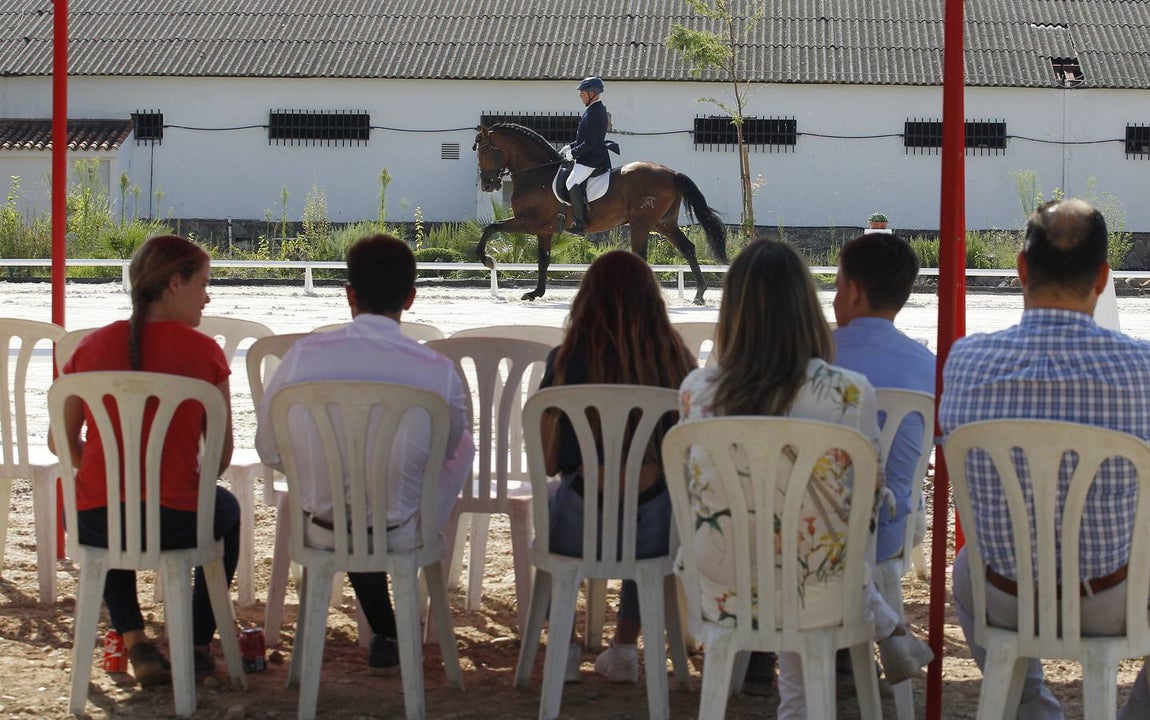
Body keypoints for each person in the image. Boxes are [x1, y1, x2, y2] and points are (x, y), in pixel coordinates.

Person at [677, 239, 932, 718]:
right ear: (807, 307)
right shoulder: (848, 393)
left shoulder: (697, 391)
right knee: (828, 544)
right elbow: (867, 503)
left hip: (718, 583)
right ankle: (885, 625)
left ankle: (883, 623)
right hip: (820, 590)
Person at [940, 198, 1150, 719]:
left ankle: (1032, 708)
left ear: (1021, 268)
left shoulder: (966, 360)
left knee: (968, 565)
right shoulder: (1143, 369)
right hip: (1115, 599)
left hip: (1003, 596)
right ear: (1103, 277)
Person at [255, 233, 473, 676]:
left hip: (321, 527)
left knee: (341, 473)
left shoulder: (301, 359)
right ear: (410, 299)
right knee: (462, 443)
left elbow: (269, 449)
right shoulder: (435, 370)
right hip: (399, 530)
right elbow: (446, 451)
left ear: (349, 295)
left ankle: (382, 623)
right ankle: (401, 594)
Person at [52, 234, 240, 686]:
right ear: (175, 284)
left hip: (95, 519)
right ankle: (195, 641)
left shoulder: (91, 347)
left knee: (100, 506)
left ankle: (135, 640)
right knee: (228, 511)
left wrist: (109, 474)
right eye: (202, 284)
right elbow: (221, 452)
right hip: (178, 519)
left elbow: (62, 441)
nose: (207, 296)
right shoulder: (205, 352)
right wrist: (185, 482)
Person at [539, 249, 696, 683]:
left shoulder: (565, 359)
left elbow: (549, 462)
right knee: (654, 494)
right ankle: (625, 647)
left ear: (585, 298)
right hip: (654, 531)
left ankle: (566, 647)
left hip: (579, 521)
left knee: (549, 502)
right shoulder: (677, 360)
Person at [833, 232, 935, 572]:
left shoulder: (814, 354)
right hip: (893, 533)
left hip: (813, 530)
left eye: (837, 288)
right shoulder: (927, 365)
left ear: (855, 291)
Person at [560, 76, 613, 236]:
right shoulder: (593, 109)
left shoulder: (596, 112)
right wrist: (570, 146)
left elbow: (590, 143)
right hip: (589, 155)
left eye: (582, 93)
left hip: (592, 159)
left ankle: (580, 224)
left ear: (592, 93)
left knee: (571, 182)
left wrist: (573, 154)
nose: (580, 95)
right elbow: (584, 138)